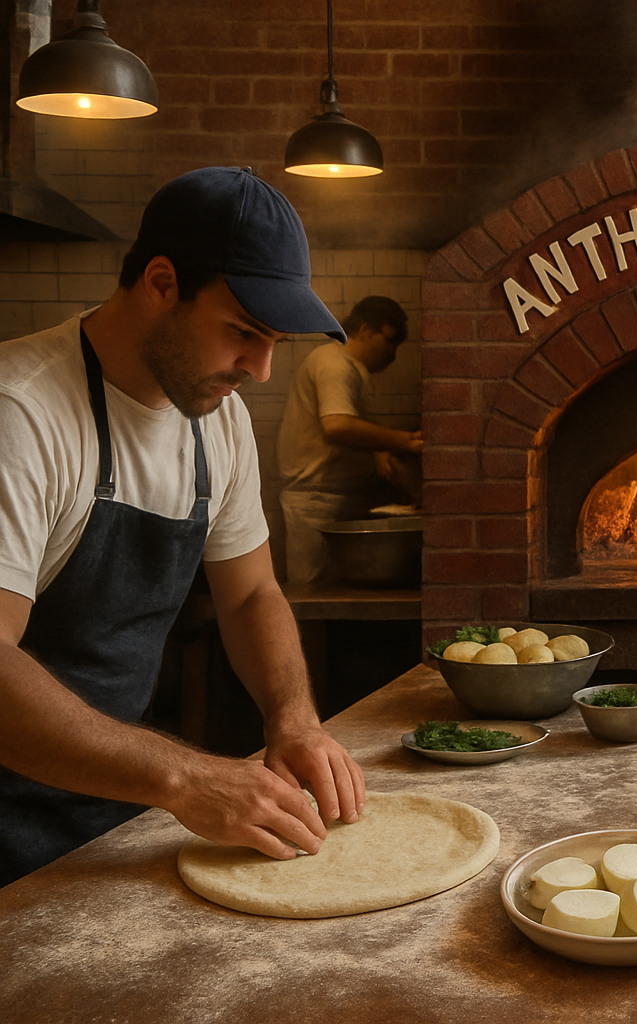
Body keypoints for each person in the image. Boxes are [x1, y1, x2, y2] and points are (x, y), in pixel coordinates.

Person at [0, 167, 366, 887]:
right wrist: (185, 778)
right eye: (242, 333)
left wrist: (292, 718)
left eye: (274, 343)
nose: (260, 370)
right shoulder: (22, 412)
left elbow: (252, 592)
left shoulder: (216, 422)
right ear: (161, 282)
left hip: (107, 812)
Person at [276, 295, 422, 585]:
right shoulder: (335, 364)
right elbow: (338, 426)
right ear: (365, 330)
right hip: (315, 502)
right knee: (313, 597)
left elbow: (362, 439)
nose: (393, 353)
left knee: (332, 594)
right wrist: (405, 441)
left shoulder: (349, 369)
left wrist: (385, 457)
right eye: (390, 341)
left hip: (334, 499)